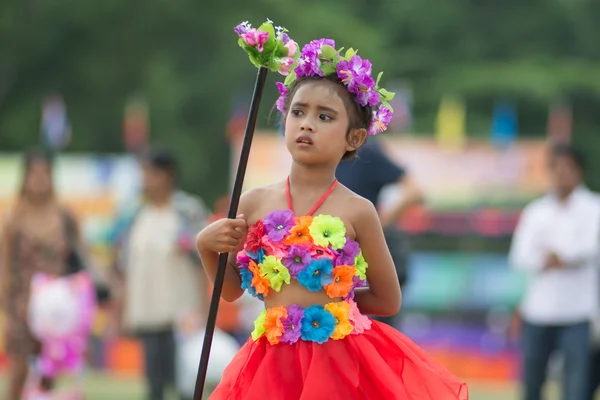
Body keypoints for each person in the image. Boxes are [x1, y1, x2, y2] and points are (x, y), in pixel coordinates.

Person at [195, 37, 468, 399]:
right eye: (298, 111)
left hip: (336, 357)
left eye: (324, 116)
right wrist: (204, 247)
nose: (307, 124)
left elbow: (388, 300)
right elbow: (229, 292)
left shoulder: (358, 210)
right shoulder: (253, 201)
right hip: (271, 361)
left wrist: (330, 304)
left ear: (354, 137)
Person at [110, 149, 209, 400]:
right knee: (154, 386)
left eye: (151, 173)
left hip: (182, 316)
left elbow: (206, 260)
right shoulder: (134, 215)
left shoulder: (187, 210)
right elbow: (123, 267)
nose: (145, 180)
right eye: (143, 173)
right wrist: (121, 310)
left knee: (185, 384)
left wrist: (206, 309)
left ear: (168, 175)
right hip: (148, 313)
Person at [509, 142, 600, 400]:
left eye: (568, 168)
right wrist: (551, 258)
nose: (562, 174)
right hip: (538, 311)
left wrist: (560, 254)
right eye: (556, 168)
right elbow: (520, 256)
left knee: (576, 387)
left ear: (579, 171)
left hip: (578, 313)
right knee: (531, 385)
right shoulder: (536, 211)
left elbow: (590, 247)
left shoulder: (593, 208)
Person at [0, 149, 85, 400]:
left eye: (44, 173)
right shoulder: (13, 219)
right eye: (33, 173)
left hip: (58, 310)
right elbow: (5, 268)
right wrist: (7, 311)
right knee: (18, 372)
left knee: (49, 374)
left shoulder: (65, 216)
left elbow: (81, 261)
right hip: (22, 308)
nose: (39, 179)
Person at [336, 136, 423, 328]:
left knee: (375, 330)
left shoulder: (364, 153)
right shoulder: (322, 162)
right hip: (344, 259)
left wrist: (378, 225)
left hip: (368, 258)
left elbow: (415, 191)